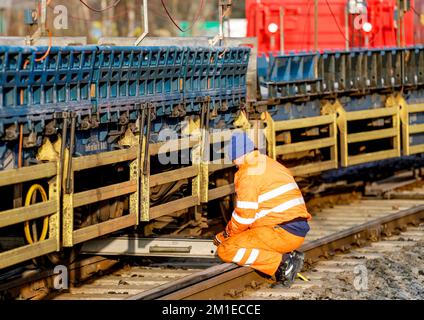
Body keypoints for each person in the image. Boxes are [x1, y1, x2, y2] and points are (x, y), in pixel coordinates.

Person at [213, 131, 311, 287]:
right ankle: (286, 257)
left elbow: (245, 216)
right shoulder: (269, 163)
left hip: (281, 232)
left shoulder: (248, 173)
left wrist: (226, 235)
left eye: (232, 157)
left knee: (227, 249)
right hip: (292, 228)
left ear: (239, 153)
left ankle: (284, 264)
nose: (233, 162)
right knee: (241, 237)